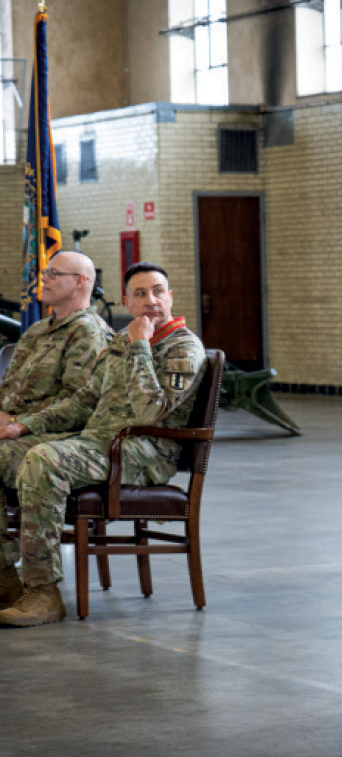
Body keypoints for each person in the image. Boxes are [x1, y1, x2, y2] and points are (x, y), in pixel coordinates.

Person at [0, 262, 206, 627]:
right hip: (98, 444)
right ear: (127, 301)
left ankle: (44, 593)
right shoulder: (118, 343)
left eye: (158, 291)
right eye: (140, 294)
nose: (151, 301)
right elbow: (83, 401)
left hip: (142, 452)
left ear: (170, 297)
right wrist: (23, 425)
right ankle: (4, 579)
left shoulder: (184, 347)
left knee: (44, 460)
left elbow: (150, 413)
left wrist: (141, 347)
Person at [0, 251, 113, 610]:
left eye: (53, 274)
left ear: (81, 282)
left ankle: (42, 590)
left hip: (61, 437)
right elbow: (8, 392)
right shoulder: (36, 331)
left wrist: (20, 425)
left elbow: (80, 403)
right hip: (19, 430)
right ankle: (4, 578)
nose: (43, 279)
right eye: (44, 273)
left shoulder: (88, 332)